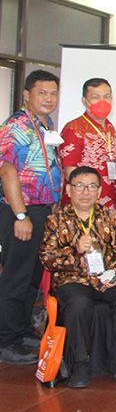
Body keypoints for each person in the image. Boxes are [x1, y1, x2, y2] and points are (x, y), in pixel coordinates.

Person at [39, 166, 116, 388]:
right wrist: (75, 251)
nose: (86, 192)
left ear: (99, 191)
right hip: (72, 279)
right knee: (78, 302)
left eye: (92, 187)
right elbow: (47, 258)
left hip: (104, 277)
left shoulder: (109, 217)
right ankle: (80, 364)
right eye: (80, 186)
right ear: (69, 189)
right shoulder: (56, 219)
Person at [0, 69, 62, 365]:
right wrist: (21, 214)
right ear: (27, 95)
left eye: (53, 93)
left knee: (31, 277)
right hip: (20, 212)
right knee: (16, 277)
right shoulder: (17, 125)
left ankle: (21, 329)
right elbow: (7, 171)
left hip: (41, 212)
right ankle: (6, 341)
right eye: (42, 93)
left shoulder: (45, 124)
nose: (49, 98)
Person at [58, 78, 116, 210]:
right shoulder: (74, 128)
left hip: (108, 204)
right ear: (84, 101)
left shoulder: (110, 128)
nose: (102, 102)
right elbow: (70, 173)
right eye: (95, 97)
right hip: (83, 205)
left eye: (106, 97)